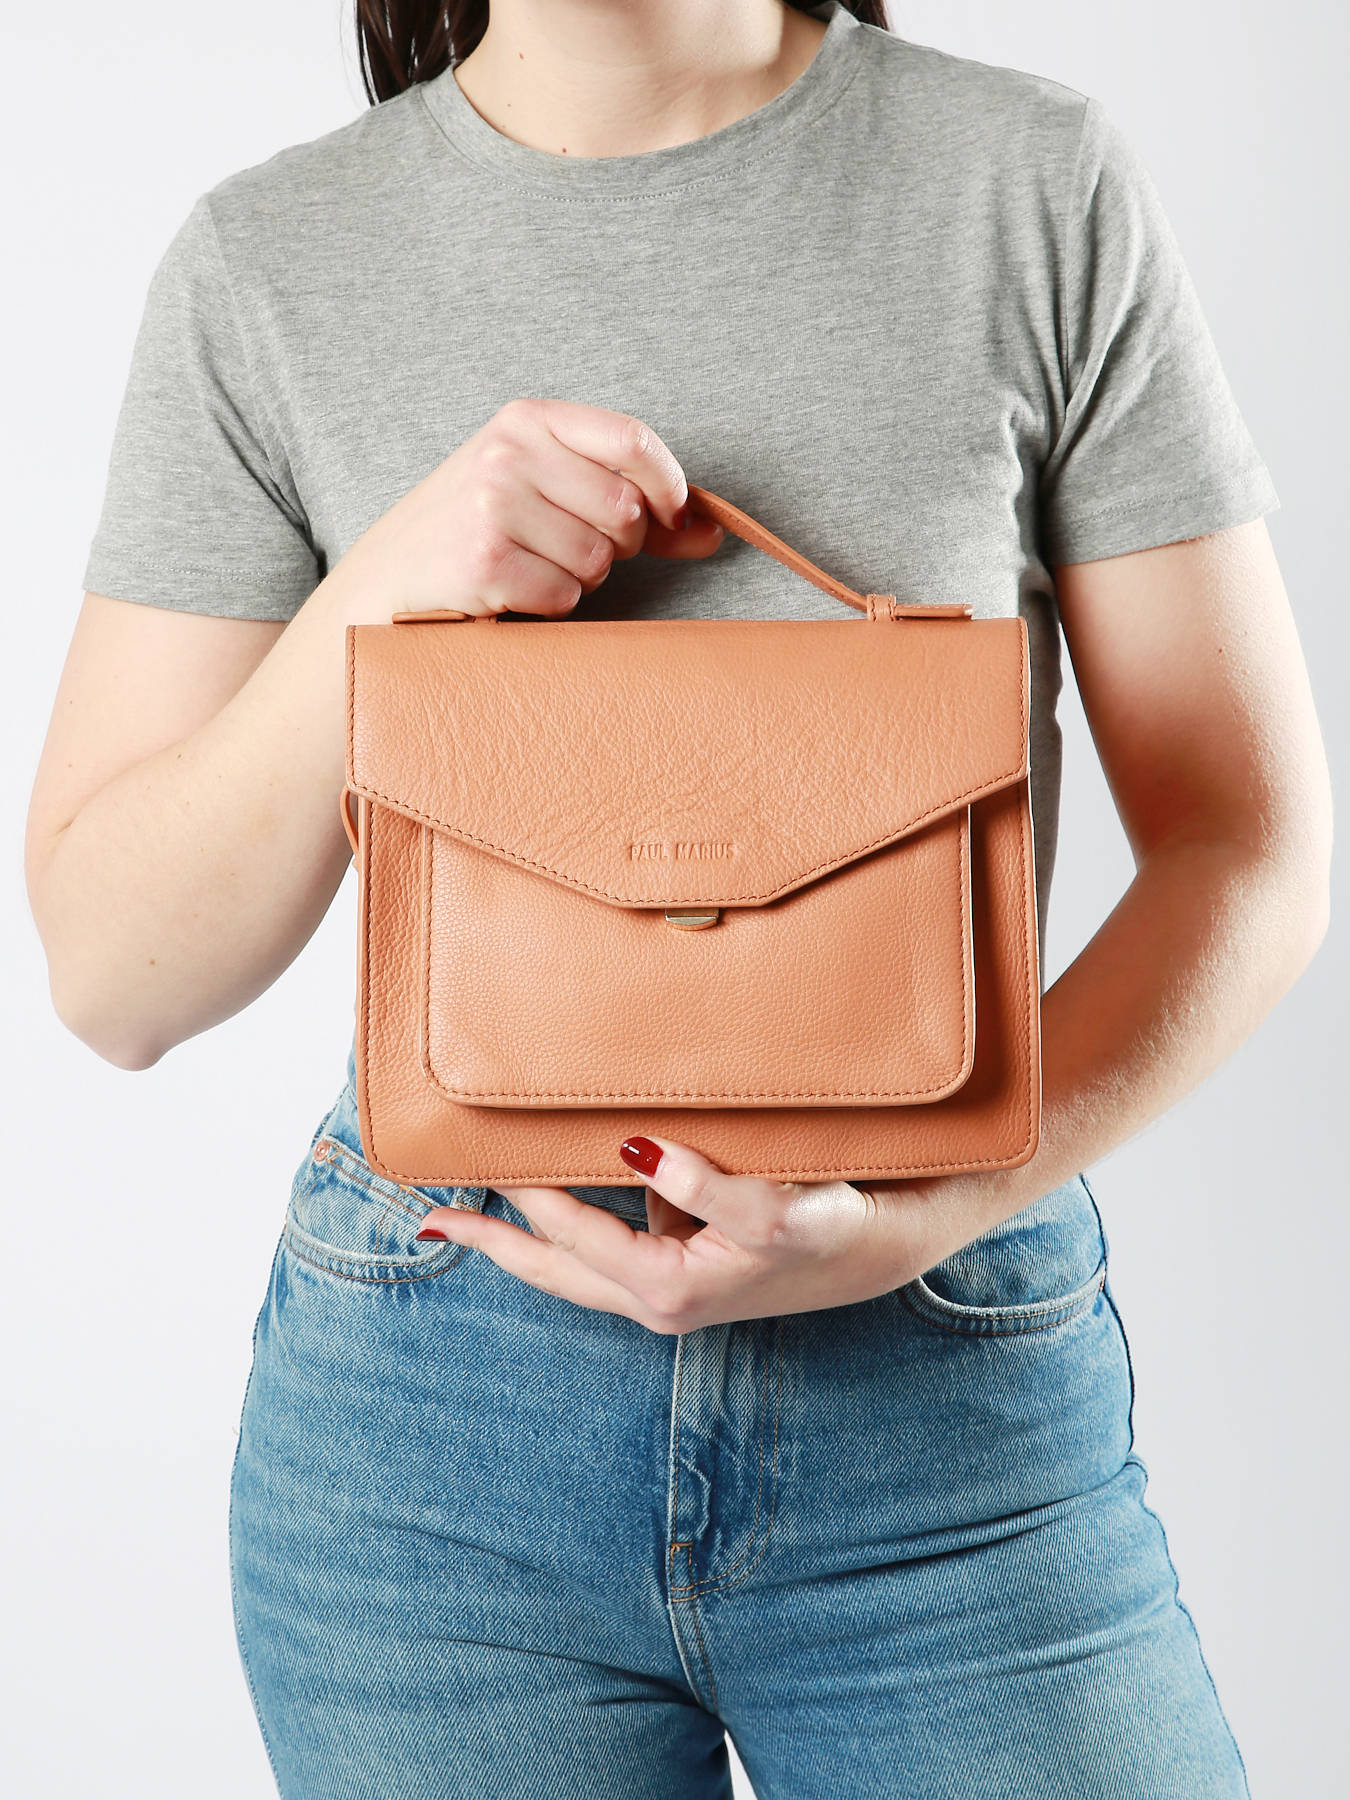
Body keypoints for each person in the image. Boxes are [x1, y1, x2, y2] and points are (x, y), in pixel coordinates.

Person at [25, 1, 1331, 1795]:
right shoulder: (267, 262)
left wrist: (921, 1215)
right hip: (432, 1436)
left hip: (943, 1395)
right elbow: (115, 978)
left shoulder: (1028, 182)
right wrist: (374, 598)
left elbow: (1244, 847)